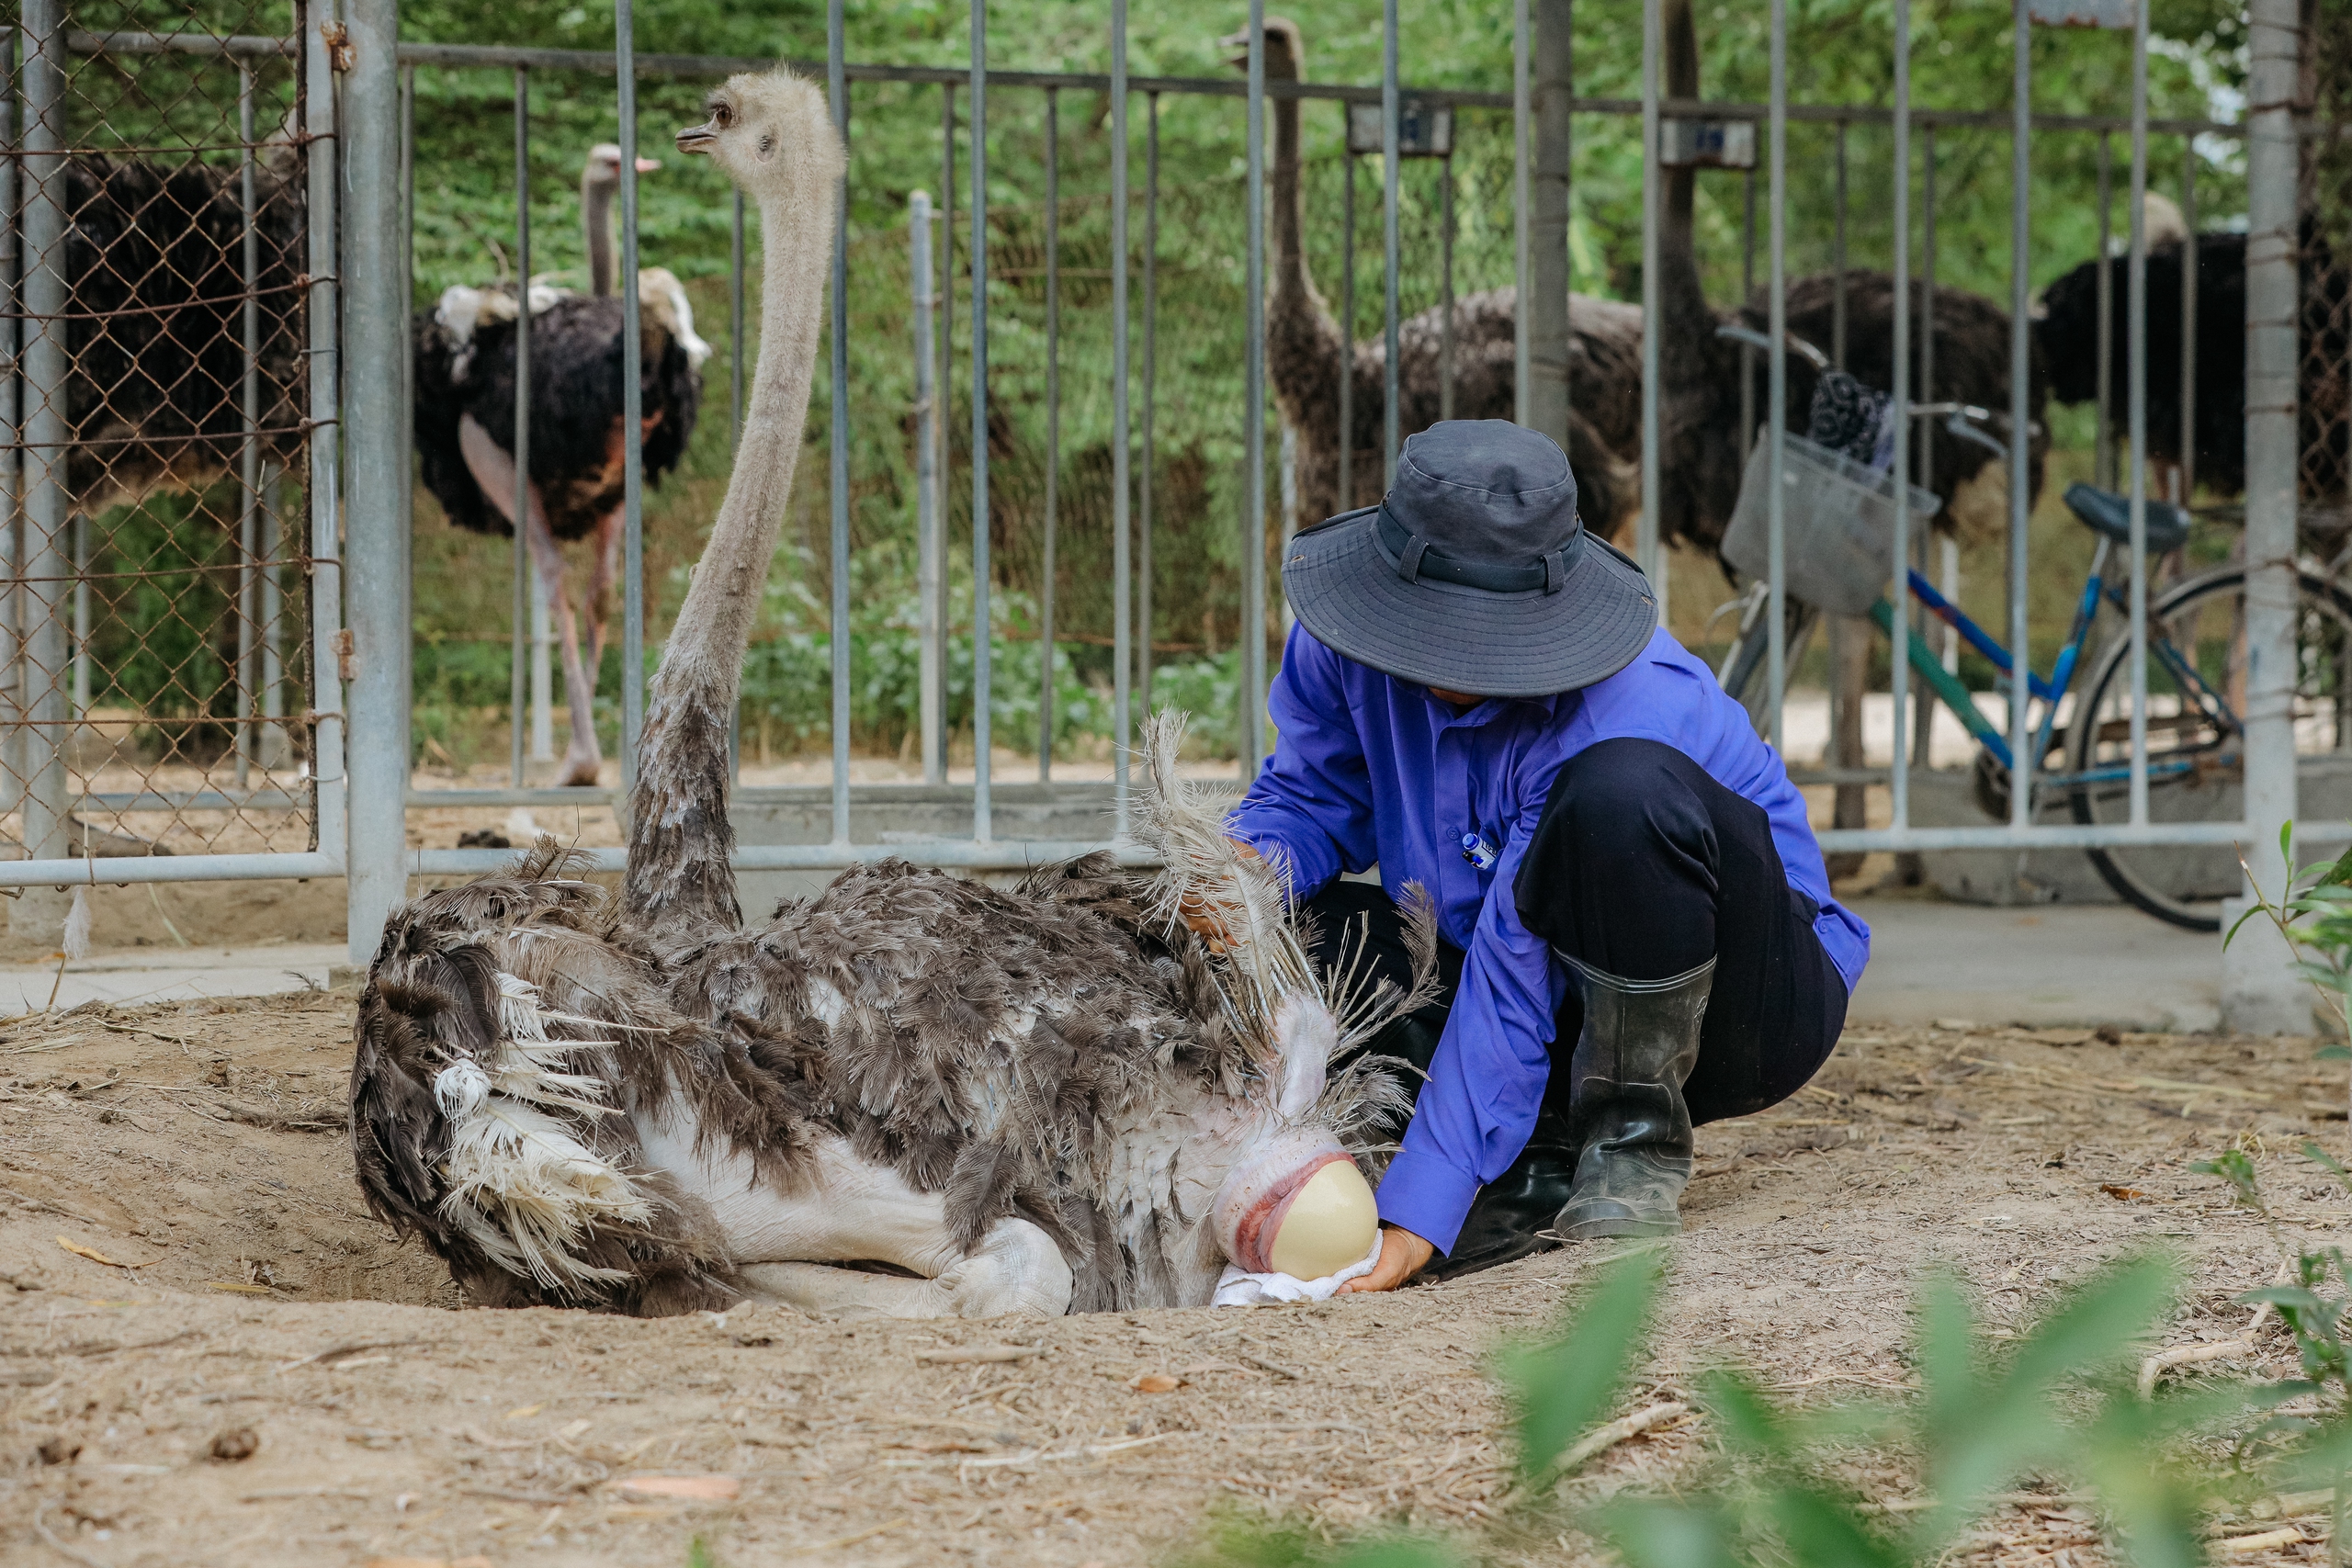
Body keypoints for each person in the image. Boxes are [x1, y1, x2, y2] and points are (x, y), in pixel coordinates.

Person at [1217, 419, 1868, 1293]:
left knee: (1620, 796)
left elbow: (1510, 971)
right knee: (1302, 930)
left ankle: (1628, 1148)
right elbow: (1307, 798)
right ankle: (1537, 1145)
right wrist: (1231, 882)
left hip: (1743, 1002)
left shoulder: (1626, 703)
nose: (1448, 657)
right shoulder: (1340, 644)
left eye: (1479, 633)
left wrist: (1419, 1218)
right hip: (1531, 968)